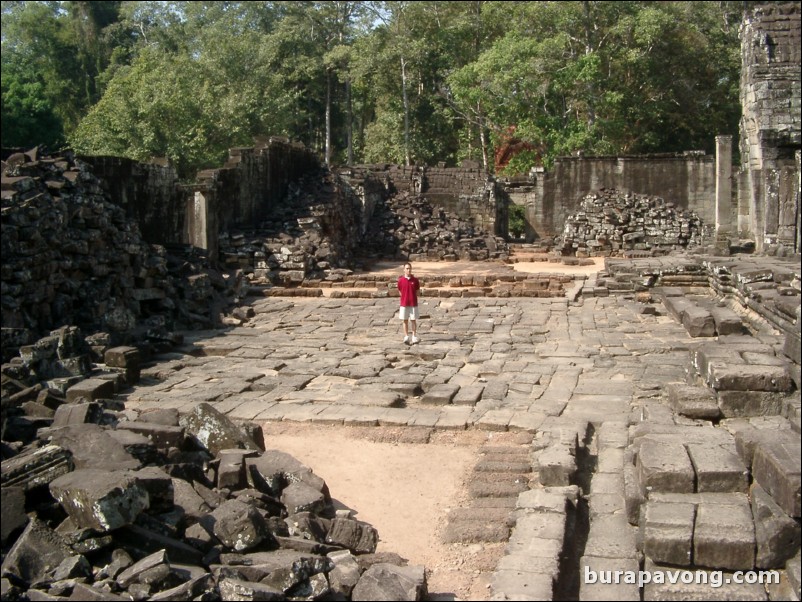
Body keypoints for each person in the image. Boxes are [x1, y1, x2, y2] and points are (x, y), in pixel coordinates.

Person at [397, 262, 420, 344]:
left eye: (409, 268)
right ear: (404, 270)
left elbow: (417, 291)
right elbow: (400, 291)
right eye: (407, 268)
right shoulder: (401, 280)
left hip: (413, 303)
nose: (408, 270)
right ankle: (406, 336)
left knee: (413, 320)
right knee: (405, 320)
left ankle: (414, 336)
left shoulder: (415, 280)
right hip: (404, 303)